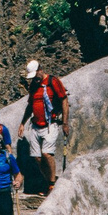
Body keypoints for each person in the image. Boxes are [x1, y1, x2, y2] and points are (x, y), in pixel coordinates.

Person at [22, 59, 68, 193]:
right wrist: (22, 123)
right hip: (36, 125)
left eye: (35, 76)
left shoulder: (52, 81)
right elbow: (30, 106)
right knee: (37, 158)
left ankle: (52, 184)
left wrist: (65, 123)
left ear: (40, 70)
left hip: (50, 124)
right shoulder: (33, 86)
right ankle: (48, 182)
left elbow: (64, 100)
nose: (34, 79)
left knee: (46, 154)